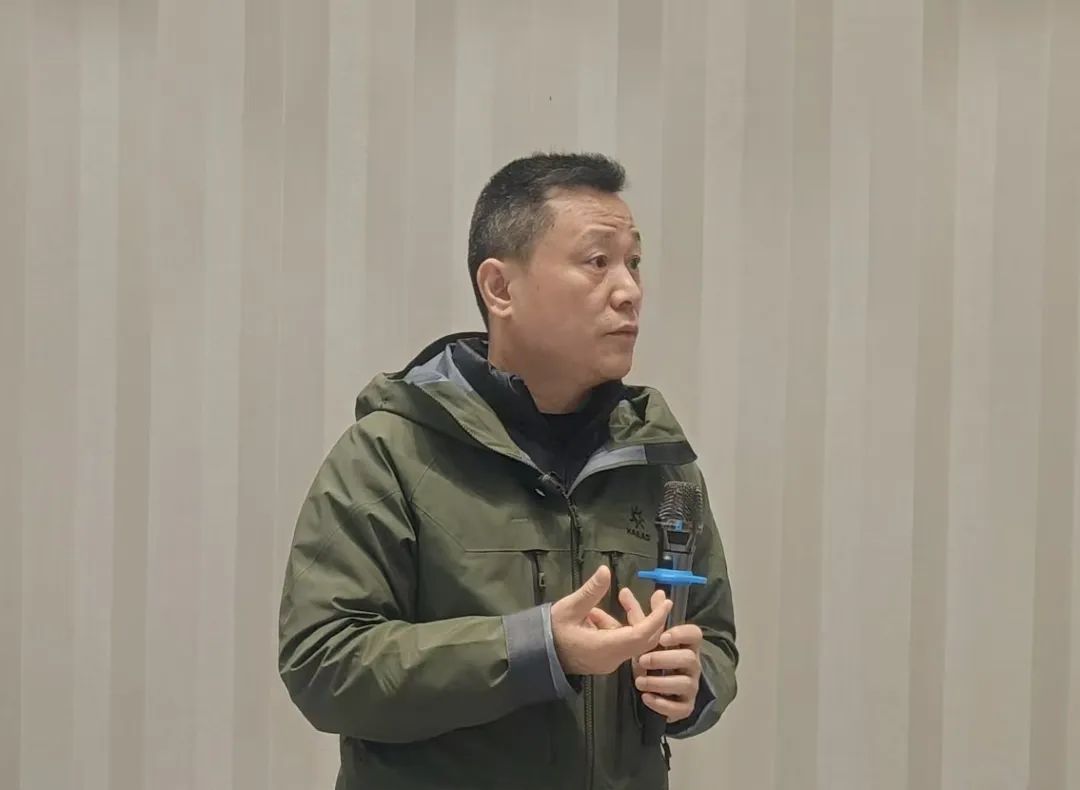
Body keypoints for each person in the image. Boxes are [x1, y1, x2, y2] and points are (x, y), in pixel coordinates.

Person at [277, 152, 738, 789]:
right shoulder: (391, 453)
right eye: (597, 261)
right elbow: (324, 664)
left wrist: (695, 681)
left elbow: (712, 636)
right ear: (500, 288)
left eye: (633, 262)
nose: (629, 290)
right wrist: (534, 648)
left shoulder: (659, 464)